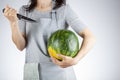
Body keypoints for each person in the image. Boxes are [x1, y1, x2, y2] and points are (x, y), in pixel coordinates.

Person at [3, 0, 96, 80]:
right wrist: (13, 23)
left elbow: (90, 36)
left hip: (60, 72)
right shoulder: (24, 11)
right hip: (33, 72)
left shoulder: (64, 10)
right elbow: (20, 46)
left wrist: (76, 59)